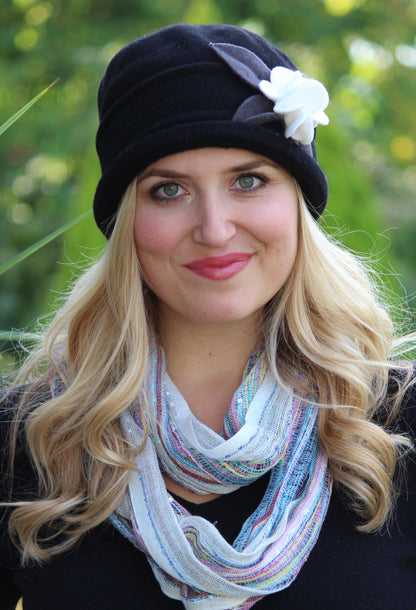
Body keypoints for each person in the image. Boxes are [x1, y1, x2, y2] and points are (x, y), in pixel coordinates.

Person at [0, 23, 415, 610]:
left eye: (249, 180)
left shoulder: (396, 424)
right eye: (168, 190)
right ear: (126, 225)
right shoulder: (32, 439)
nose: (215, 229)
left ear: (297, 206)